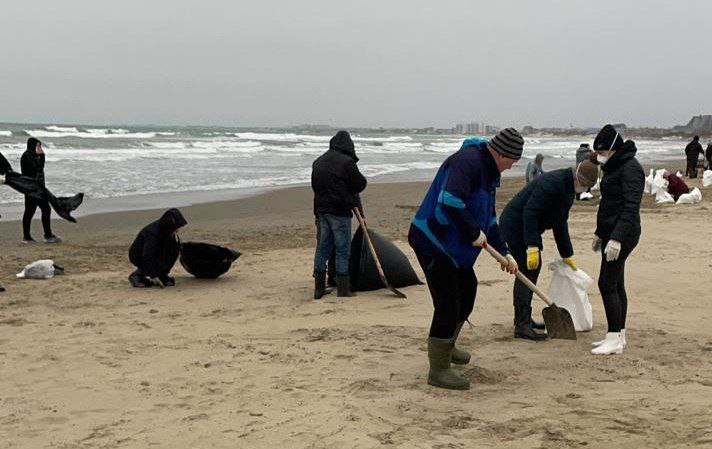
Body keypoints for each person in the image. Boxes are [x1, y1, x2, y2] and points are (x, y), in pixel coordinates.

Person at [408, 129, 522, 390]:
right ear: (501, 153)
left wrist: (504, 252)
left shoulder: (490, 173)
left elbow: (489, 219)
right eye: (511, 162)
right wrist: (472, 232)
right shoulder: (467, 162)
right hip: (432, 240)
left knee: (467, 292)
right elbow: (449, 200)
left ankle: (448, 345)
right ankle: (438, 370)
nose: (509, 168)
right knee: (448, 303)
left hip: (454, 247)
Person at [500, 160, 600, 341]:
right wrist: (532, 246)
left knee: (532, 270)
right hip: (515, 225)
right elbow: (530, 212)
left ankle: (524, 319)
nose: (584, 190)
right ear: (578, 177)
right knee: (526, 271)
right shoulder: (552, 183)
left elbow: (560, 222)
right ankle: (521, 325)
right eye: (585, 185)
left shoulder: (568, 190)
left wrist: (566, 254)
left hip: (528, 228)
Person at [590, 124, 644, 355]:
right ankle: (619, 335)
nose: (600, 157)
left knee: (606, 283)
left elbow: (631, 207)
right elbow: (608, 204)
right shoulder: (614, 167)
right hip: (610, 233)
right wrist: (600, 234)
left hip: (624, 234)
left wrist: (617, 239)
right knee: (616, 282)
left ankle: (613, 337)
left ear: (613, 149)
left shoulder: (631, 168)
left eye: (602, 153)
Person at [311, 131, 367, 299]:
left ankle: (319, 288)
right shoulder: (346, 163)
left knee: (323, 248)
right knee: (343, 249)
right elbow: (360, 183)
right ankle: (343, 289)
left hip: (322, 211)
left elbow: (315, 186)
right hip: (339, 211)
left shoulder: (318, 162)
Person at [128, 208, 187, 288]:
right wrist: (153, 276)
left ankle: (162, 275)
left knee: (175, 248)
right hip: (138, 255)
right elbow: (147, 255)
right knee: (155, 261)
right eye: (176, 228)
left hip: (156, 252)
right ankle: (137, 275)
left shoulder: (167, 231)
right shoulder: (152, 233)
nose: (177, 230)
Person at [21, 137, 61, 244]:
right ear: (32, 145)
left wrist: (41, 156)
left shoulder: (33, 156)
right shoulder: (27, 156)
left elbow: (40, 167)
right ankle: (26, 237)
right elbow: (38, 168)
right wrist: (42, 155)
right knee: (29, 212)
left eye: (40, 146)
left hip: (38, 189)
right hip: (31, 189)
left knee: (46, 209)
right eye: (38, 146)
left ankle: (48, 235)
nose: (40, 148)